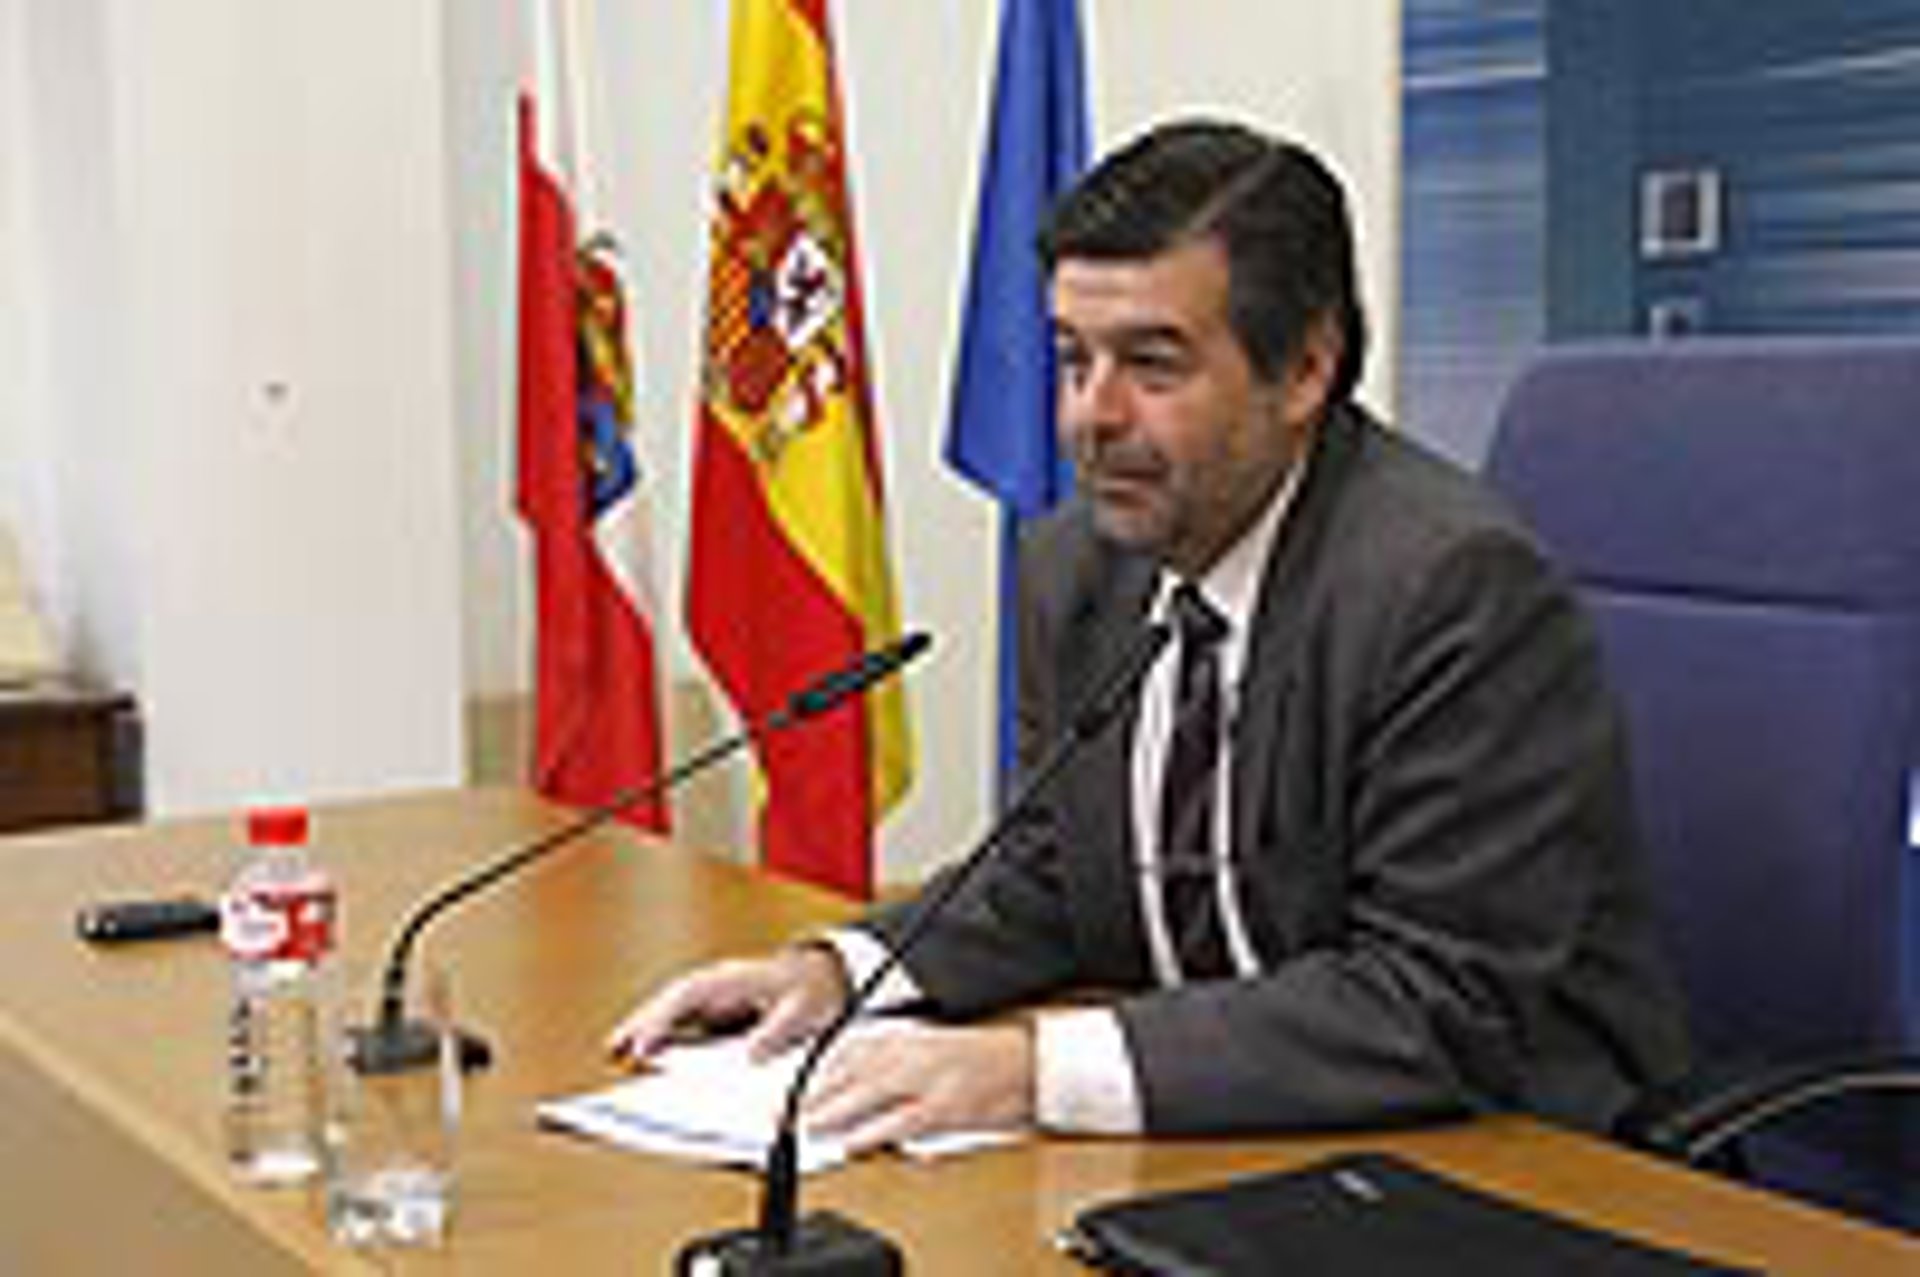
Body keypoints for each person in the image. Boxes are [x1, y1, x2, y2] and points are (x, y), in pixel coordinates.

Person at [609, 118, 1690, 1151]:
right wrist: (842, 972)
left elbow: (1435, 1000)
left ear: (1305, 370)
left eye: (1153, 363)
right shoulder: (1080, 564)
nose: (1092, 414)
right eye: (1073, 358)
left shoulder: (1448, 587)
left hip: (1503, 1149)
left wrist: (1031, 1070)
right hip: (1221, 1127)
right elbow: (1050, 872)